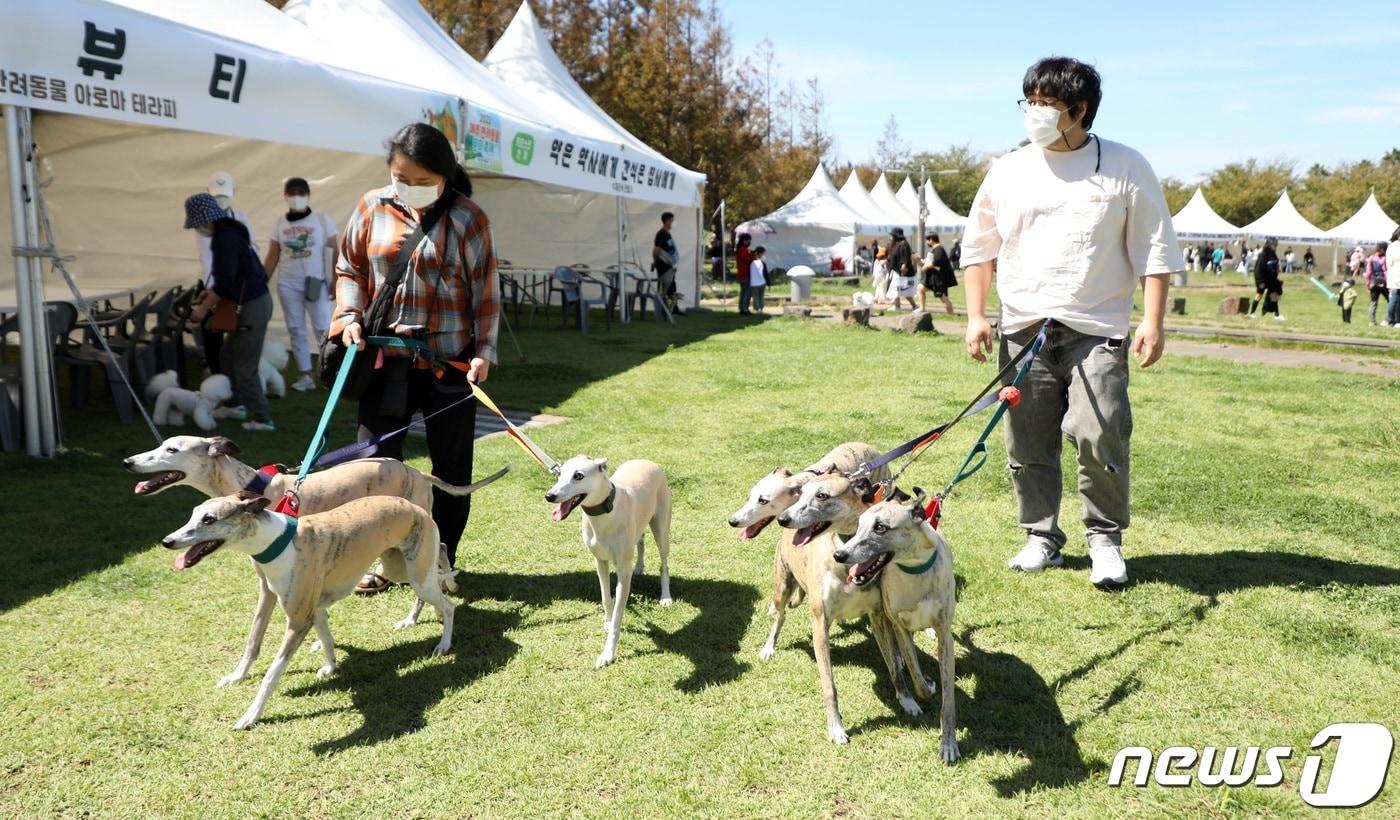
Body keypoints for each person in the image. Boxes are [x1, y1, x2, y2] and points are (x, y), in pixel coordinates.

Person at [962, 56, 1182, 588]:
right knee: (1026, 441)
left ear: (1079, 111)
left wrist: (1152, 321)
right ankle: (1041, 537)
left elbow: (1155, 248)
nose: (1033, 113)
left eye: (1046, 104)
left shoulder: (1126, 166)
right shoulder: (1008, 169)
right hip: (1022, 330)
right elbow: (978, 247)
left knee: (1100, 433)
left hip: (1097, 329)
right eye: (1029, 102)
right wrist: (974, 317)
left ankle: (1105, 541)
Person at [334, 122, 499, 592]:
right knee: (374, 465)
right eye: (402, 177)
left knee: (450, 471)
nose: (411, 188)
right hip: (386, 361)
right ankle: (381, 561)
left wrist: (484, 351)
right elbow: (349, 266)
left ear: (445, 175)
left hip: (450, 362)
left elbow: (486, 292)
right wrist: (349, 316)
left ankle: (440, 560)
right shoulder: (371, 205)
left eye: (424, 181)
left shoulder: (469, 218)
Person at [183, 193, 274, 432]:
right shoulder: (228, 234)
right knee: (227, 356)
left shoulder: (226, 239)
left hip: (252, 305)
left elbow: (225, 282)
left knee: (245, 365)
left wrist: (202, 309)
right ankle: (234, 404)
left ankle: (263, 418)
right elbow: (228, 278)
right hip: (251, 302)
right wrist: (209, 293)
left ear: (205, 220)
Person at [263, 177, 337, 392]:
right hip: (288, 283)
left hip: (317, 283)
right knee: (296, 329)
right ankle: (305, 375)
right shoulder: (280, 224)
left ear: (308, 195)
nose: (296, 197)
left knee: (324, 328)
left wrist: (335, 280)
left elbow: (335, 251)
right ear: (285, 196)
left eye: (300, 192)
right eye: (292, 192)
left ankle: (329, 373)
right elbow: (272, 256)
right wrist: (260, 282)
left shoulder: (322, 221)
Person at [196, 172, 256, 375]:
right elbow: (208, 259)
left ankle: (234, 374)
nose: (221, 200)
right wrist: (212, 293)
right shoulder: (203, 223)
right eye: (216, 196)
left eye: (224, 195)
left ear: (233, 193)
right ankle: (216, 373)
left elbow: (252, 248)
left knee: (237, 333)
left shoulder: (241, 217)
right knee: (212, 334)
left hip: (238, 287)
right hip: (215, 285)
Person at [918, 232, 957, 314]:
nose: (926, 242)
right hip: (933, 279)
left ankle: (951, 314)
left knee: (943, 298)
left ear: (931, 240)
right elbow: (928, 262)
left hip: (938, 280)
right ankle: (922, 309)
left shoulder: (939, 249)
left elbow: (936, 262)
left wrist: (926, 266)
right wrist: (919, 261)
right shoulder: (935, 250)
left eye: (927, 240)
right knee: (920, 288)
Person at [653, 211, 684, 315]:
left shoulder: (667, 233)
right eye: (671, 220)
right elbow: (656, 250)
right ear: (666, 221)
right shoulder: (661, 234)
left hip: (669, 265)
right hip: (662, 266)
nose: (673, 222)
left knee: (672, 287)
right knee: (663, 288)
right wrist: (654, 262)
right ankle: (662, 309)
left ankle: (673, 308)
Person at [1248, 238, 1283, 320]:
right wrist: (1260, 281)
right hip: (1263, 279)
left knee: (1274, 296)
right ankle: (1252, 313)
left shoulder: (1273, 254)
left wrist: (1277, 269)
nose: (1275, 247)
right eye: (1274, 245)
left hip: (1271, 279)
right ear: (1269, 245)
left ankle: (1277, 315)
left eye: (1275, 245)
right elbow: (1258, 269)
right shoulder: (1262, 255)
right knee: (1259, 296)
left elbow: (1275, 263)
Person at [885, 228, 917, 311]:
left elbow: (904, 257)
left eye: (892, 235)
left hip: (901, 272)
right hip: (896, 271)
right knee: (896, 289)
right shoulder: (896, 244)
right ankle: (897, 306)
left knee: (904, 291)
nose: (891, 237)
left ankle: (914, 305)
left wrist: (903, 266)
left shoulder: (903, 244)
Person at [1365, 241, 1389, 325]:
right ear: (1383, 249)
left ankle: (1371, 321)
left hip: (1373, 283)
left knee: (1373, 302)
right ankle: (1387, 319)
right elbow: (1386, 271)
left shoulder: (1371, 258)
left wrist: (1368, 284)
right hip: (1383, 283)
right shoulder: (1385, 258)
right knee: (1390, 301)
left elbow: (1368, 272)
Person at [734, 232, 754, 315]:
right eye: (748, 240)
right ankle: (744, 308)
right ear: (744, 241)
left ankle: (742, 307)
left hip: (742, 274)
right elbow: (749, 260)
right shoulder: (743, 250)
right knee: (747, 292)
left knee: (743, 292)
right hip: (745, 273)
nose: (749, 242)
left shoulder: (739, 250)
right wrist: (753, 254)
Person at [748, 245, 768, 314]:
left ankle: (757, 310)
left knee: (755, 297)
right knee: (761, 297)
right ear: (760, 254)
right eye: (763, 253)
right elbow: (765, 273)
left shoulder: (750, 262)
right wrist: (768, 283)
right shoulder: (762, 263)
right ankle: (761, 309)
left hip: (754, 283)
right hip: (762, 282)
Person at [1387, 230, 1400, 326]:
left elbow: (1388, 263)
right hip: (1396, 275)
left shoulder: (1391, 246)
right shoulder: (1394, 246)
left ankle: (1393, 320)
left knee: (1394, 298)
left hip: (1393, 275)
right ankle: (1391, 319)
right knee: (1395, 298)